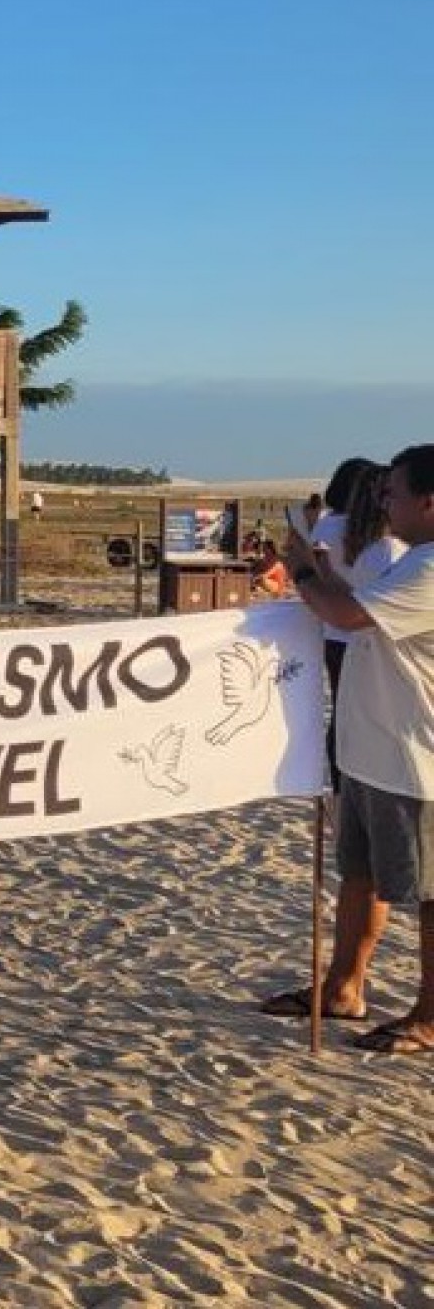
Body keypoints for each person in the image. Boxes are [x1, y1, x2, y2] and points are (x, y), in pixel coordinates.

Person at [263, 444, 434, 1055]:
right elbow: (346, 600)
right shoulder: (410, 558)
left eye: (392, 492)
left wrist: (307, 573)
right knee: (359, 876)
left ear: (427, 501)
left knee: (426, 893)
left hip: (414, 758)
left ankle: (430, 1014)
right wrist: (310, 565)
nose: (381, 502)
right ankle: (344, 988)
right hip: (371, 747)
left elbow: (348, 614)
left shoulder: (430, 567)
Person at [309, 460, 402, 784]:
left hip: (333, 630)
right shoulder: (387, 549)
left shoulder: (326, 528)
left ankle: (340, 783)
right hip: (362, 632)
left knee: (343, 710)